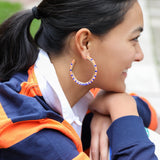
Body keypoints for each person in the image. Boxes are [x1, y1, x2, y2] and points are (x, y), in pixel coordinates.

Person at [0, 0, 158, 159]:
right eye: (134, 39)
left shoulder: (79, 90)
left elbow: (153, 119)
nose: (140, 55)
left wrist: (116, 103)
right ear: (85, 43)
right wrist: (124, 109)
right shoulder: (30, 131)